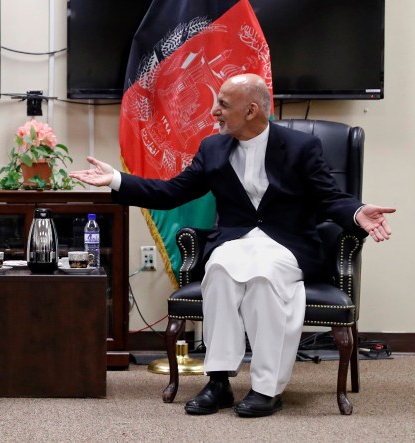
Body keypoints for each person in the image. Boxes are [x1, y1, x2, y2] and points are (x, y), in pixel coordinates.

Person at [70, 73, 395, 418]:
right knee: (220, 270)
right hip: (235, 241)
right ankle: (219, 381)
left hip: (286, 245)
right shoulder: (213, 149)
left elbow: (330, 198)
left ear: (251, 109)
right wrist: (117, 179)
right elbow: (172, 193)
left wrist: (358, 212)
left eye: (223, 104)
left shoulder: (301, 147)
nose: (214, 111)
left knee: (264, 279)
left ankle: (266, 388)